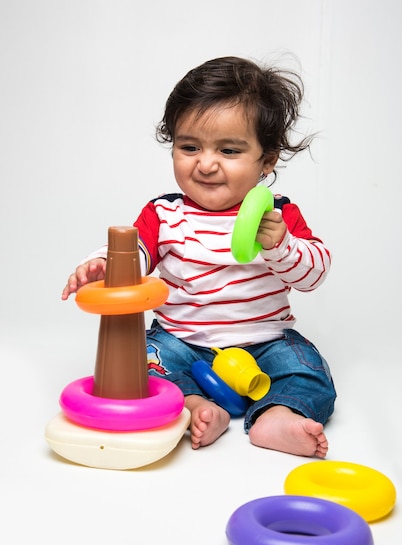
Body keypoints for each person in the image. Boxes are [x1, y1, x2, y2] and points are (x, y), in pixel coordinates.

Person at [62, 56, 336, 458]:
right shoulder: (164, 213)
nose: (205, 164)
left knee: (308, 370)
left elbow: (314, 275)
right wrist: (106, 265)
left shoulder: (277, 213)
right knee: (143, 363)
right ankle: (197, 406)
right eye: (189, 147)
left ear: (267, 160)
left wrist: (282, 246)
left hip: (264, 341)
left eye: (228, 150)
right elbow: (135, 252)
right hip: (182, 342)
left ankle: (276, 415)